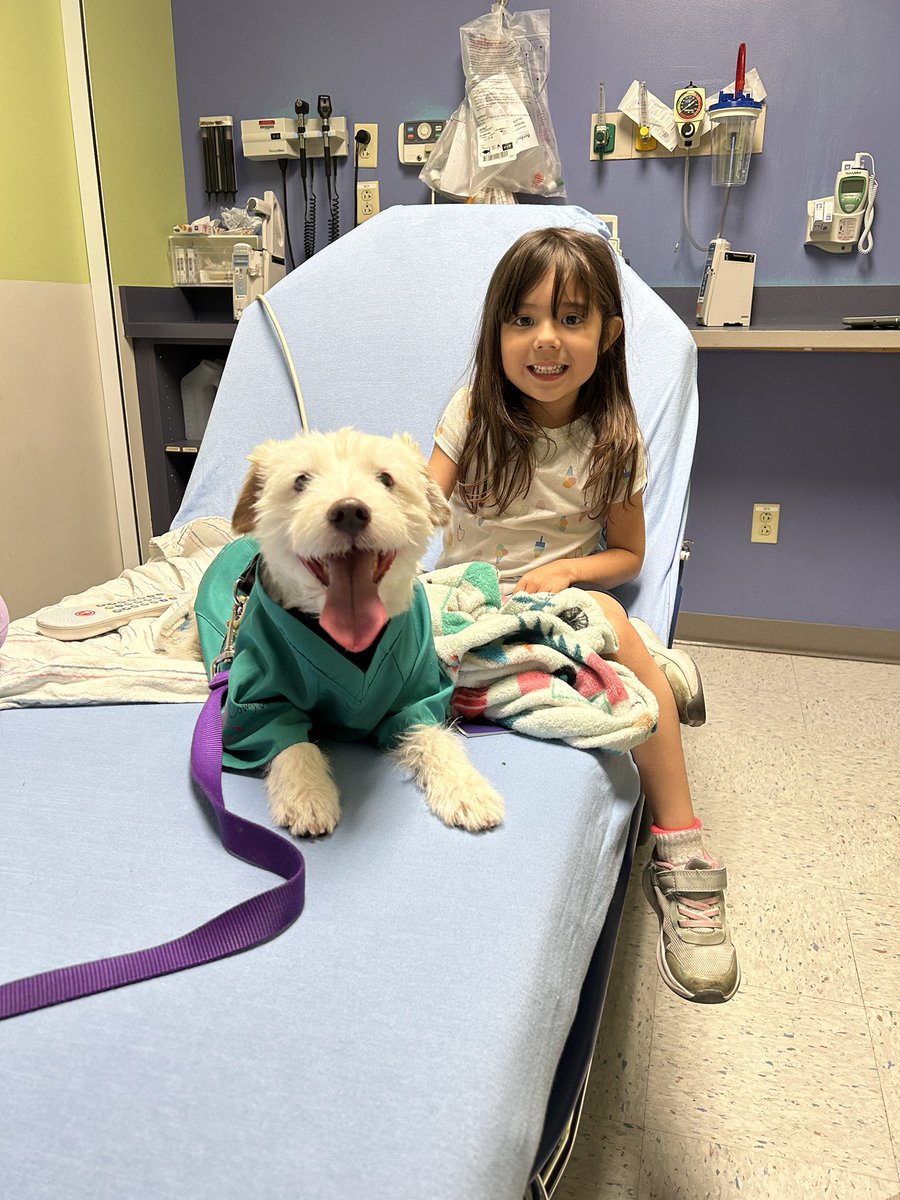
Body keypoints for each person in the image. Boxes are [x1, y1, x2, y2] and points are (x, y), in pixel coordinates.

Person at [428, 227, 739, 1004]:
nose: (545, 340)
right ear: (496, 329)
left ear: (609, 334)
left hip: (565, 600)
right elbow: (420, 505)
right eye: (523, 318)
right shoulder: (470, 413)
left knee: (602, 610)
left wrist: (570, 567)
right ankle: (647, 663)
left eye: (571, 319)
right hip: (469, 598)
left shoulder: (613, 436)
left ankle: (680, 850)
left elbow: (628, 554)